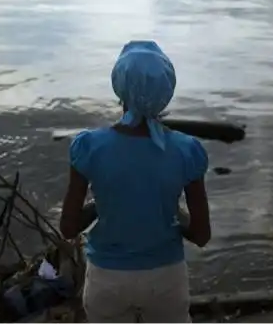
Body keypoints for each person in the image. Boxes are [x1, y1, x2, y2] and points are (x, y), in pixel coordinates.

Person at [59, 40, 211, 323]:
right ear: (166, 92)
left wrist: (99, 206)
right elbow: (201, 235)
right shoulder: (187, 150)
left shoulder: (89, 147)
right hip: (166, 279)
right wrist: (173, 213)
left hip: (107, 279)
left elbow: (68, 227)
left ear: (119, 87)